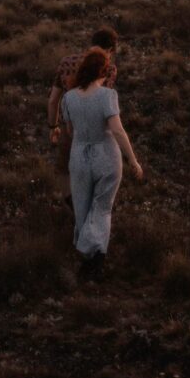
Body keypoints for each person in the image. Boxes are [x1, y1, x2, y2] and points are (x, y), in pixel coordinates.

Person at [60, 47, 144, 280]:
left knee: (82, 206)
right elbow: (117, 130)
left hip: (79, 156)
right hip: (106, 155)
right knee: (102, 207)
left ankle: (89, 256)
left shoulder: (69, 97)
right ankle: (95, 257)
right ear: (104, 72)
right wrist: (133, 160)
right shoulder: (108, 96)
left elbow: (69, 130)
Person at [48, 27, 118, 180]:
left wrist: (53, 127)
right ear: (110, 50)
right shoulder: (109, 69)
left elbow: (53, 100)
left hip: (68, 127)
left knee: (65, 173)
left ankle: (72, 203)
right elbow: (103, 104)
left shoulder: (67, 62)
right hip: (95, 132)